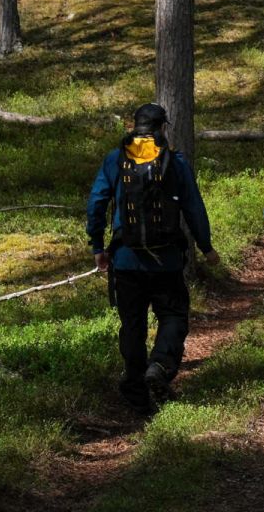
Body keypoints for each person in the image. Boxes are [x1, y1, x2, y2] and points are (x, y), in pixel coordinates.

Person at [88, 103, 217, 415]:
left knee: (132, 324)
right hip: (167, 260)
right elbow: (194, 208)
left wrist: (97, 246)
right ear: (162, 128)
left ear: (135, 126)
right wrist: (205, 247)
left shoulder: (115, 159)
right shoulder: (175, 162)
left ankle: (135, 392)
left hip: (126, 260)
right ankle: (159, 365)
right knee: (173, 316)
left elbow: (96, 203)